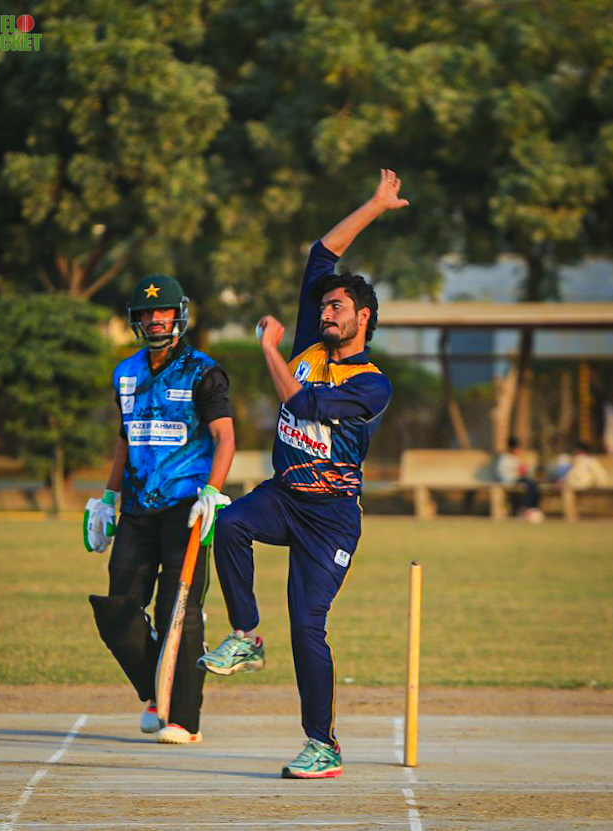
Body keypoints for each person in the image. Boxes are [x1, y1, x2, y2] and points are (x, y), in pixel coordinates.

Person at [198, 169, 407, 778]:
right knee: (230, 525)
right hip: (285, 495)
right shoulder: (314, 341)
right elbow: (323, 251)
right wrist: (375, 205)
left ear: (363, 317)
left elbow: (304, 404)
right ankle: (245, 635)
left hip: (331, 518)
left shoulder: (372, 384)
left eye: (337, 306)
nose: (326, 312)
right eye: (323, 306)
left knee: (307, 627)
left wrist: (269, 351)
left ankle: (323, 744)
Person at [85, 273, 234, 743]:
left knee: (178, 612)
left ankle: (183, 719)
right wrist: (108, 498)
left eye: (163, 311)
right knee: (118, 611)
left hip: (187, 509)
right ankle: (158, 689)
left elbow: (225, 437)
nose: (155, 319)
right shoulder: (126, 372)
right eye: (146, 312)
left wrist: (212, 492)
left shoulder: (203, 371)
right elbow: (126, 437)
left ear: (179, 314)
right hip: (136, 508)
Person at [495, 436, 543, 522]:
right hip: (510, 481)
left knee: (533, 484)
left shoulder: (516, 458)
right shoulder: (504, 459)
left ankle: (532, 509)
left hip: (518, 480)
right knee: (528, 484)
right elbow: (505, 475)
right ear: (512, 448)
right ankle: (525, 510)